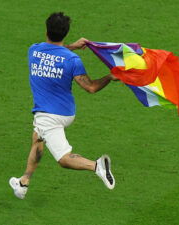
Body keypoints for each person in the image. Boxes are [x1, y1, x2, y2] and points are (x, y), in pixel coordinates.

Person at [9, 12, 117, 199]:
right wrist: (108, 76)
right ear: (65, 33)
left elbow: (52, 54)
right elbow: (90, 87)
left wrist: (71, 47)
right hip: (66, 111)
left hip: (49, 115)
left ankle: (97, 166)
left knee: (63, 159)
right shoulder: (72, 60)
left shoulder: (33, 50)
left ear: (46, 30)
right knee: (37, 138)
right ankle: (24, 181)